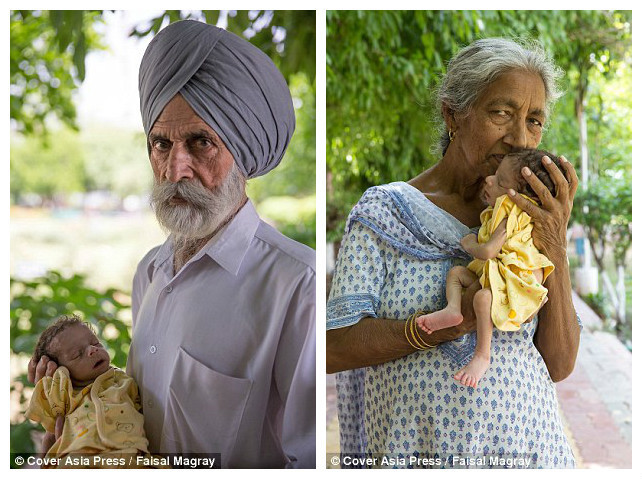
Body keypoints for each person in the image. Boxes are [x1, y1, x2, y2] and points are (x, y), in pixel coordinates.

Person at [29, 20, 315, 469]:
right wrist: (74, 415)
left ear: (244, 156)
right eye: (161, 143)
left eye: (200, 142)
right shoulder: (149, 271)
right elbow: (141, 414)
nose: (176, 167)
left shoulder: (298, 284)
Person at [327, 38, 581, 468]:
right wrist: (446, 324)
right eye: (501, 112)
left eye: (534, 120)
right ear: (452, 115)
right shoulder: (385, 211)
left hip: (532, 456)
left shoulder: (531, 220)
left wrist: (554, 241)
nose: (520, 137)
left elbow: (558, 364)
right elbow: (334, 347)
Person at [416, 149, 562, 389]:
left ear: (516, 196)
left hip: (516, 281)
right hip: (501, 274)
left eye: (500, 181)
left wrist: (469, 243)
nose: (489, 180)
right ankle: (453, 309)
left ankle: (482, 355)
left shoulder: (512, 216)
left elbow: (488, 252)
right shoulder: (500, 214)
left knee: (483, 299)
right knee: (457, 275)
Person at [25, 315, 150, 467]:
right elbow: (50, 433)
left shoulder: (122, 380)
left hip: (128, 456)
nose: (92, 350)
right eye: (77, 354)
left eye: (95, 342)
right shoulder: (67, 393)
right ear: (62, 370)